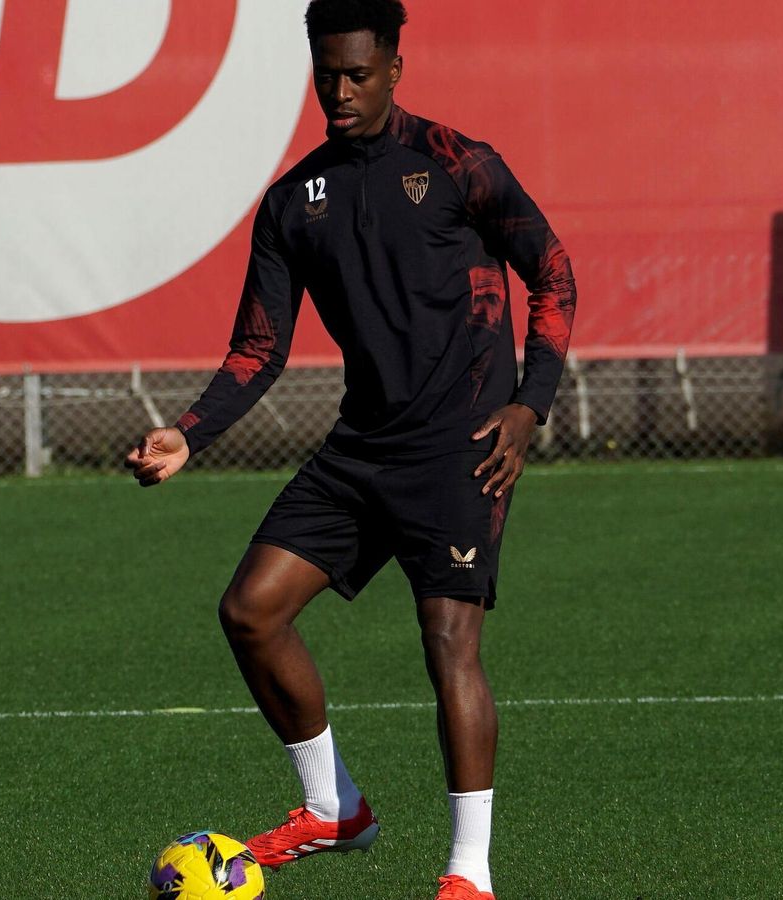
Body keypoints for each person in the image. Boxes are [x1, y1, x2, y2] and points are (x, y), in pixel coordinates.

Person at [125, 1, 574, 896]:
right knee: (250, 610)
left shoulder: (457, 165)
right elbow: (259, 350)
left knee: (448, 639)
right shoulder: (293, 202)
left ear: (396, 69)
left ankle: (469, 873)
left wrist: (531, 407)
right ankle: (335, 810)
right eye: (327, 73)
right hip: (363, 446)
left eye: (359, 74)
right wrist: (189, 432)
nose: (340, 91)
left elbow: (553, 272)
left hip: (464, 446)